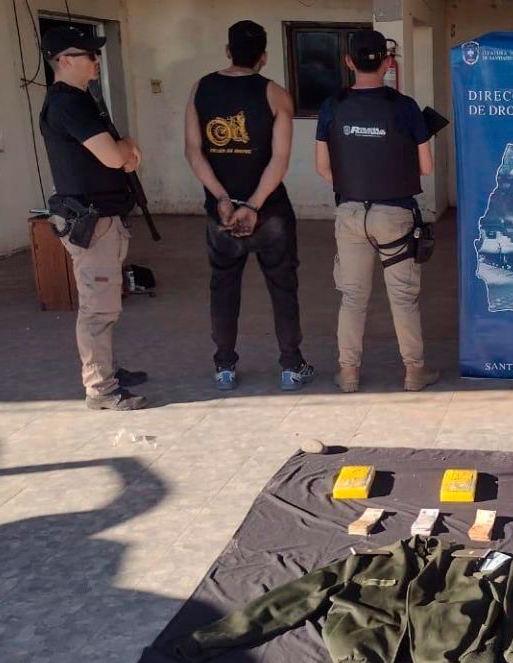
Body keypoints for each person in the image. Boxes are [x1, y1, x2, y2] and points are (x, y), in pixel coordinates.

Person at [185, 20, 313, 392]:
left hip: (222, 214)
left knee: (223, 285)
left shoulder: (201, 88)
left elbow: (193, 150)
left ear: (228, 51)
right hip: (268, 212)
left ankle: (224, 367)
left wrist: (223, 198)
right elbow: (280, 158)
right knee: (282, 286)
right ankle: (291, 366)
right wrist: (253, 205)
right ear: (264, 56)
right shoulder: (276, 94)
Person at [315, 30, 439, 393]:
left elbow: (323, 168)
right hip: (395, 213)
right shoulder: (405, 107)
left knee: (353, 298)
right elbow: (426, 167)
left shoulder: (332, 106)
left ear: (348, 62)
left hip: (351, 213)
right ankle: (414, 372)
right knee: (403, 297)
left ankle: (348, 374)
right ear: (387, 62)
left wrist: (355, 185)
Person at [38, 26, 148, 410]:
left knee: (105, 302)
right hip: (92, 220)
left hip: (103, 217)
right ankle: (101, 388)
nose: (95, 59)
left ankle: (107, 369)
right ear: (64, 61)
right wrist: (129, 146)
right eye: (87, 54)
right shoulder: (67, 104)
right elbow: (117, 157)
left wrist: (125, 152)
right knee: (98, 308)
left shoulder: (81, 100)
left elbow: (120, 158)